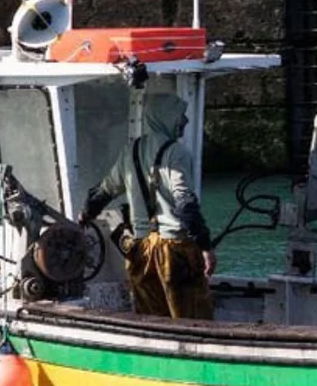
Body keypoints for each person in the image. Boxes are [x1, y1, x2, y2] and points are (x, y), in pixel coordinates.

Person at [79, 91, 216, 319]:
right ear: (165, 117)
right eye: (180, 115)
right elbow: (185, 204)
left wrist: (84, 216)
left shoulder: (130, 151)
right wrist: (205, 247)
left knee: (150, 319)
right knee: (192, 320)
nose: (185, 121)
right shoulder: (177, 153)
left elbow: (105, 190)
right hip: (175, 250)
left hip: (140, 249)